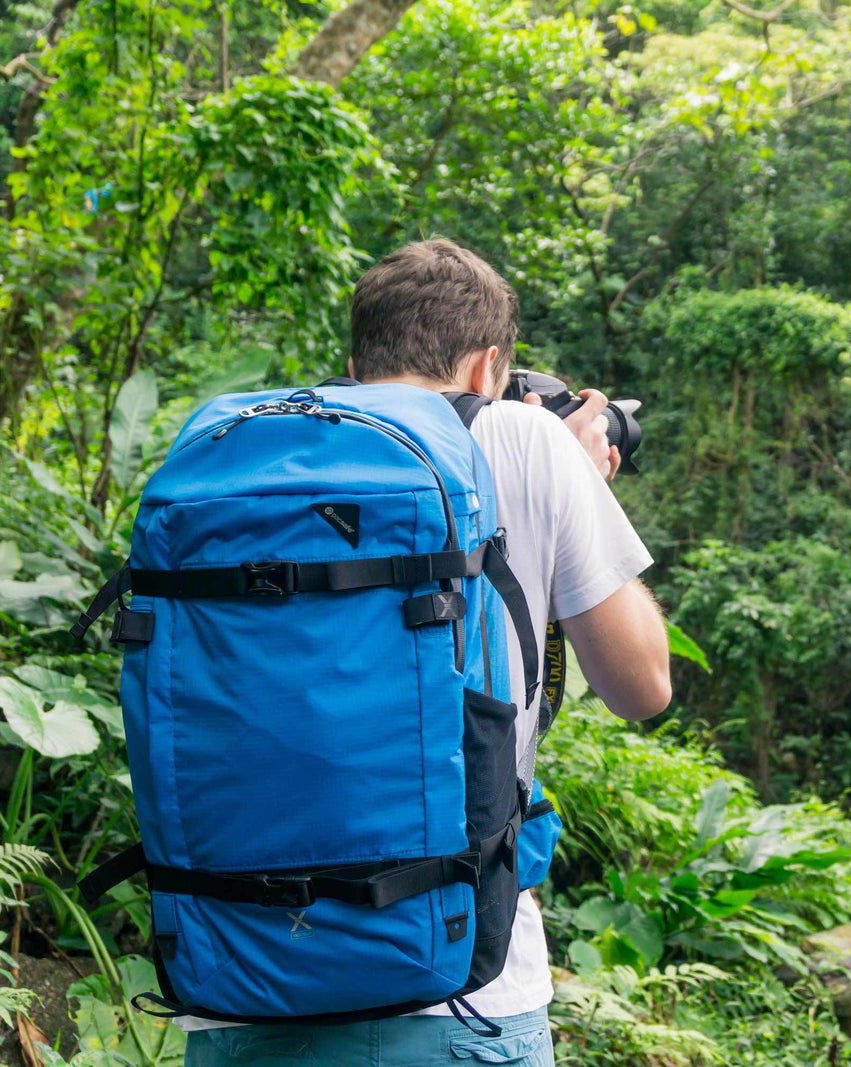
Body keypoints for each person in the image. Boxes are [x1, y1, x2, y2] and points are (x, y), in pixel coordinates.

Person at [182, 239, 672, 1065]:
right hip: (464, 997)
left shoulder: (242, 453)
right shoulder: (527, 439)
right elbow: (641, 685)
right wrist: (578, 483)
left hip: (243, 983)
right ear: (488, 367)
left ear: (353, 362)